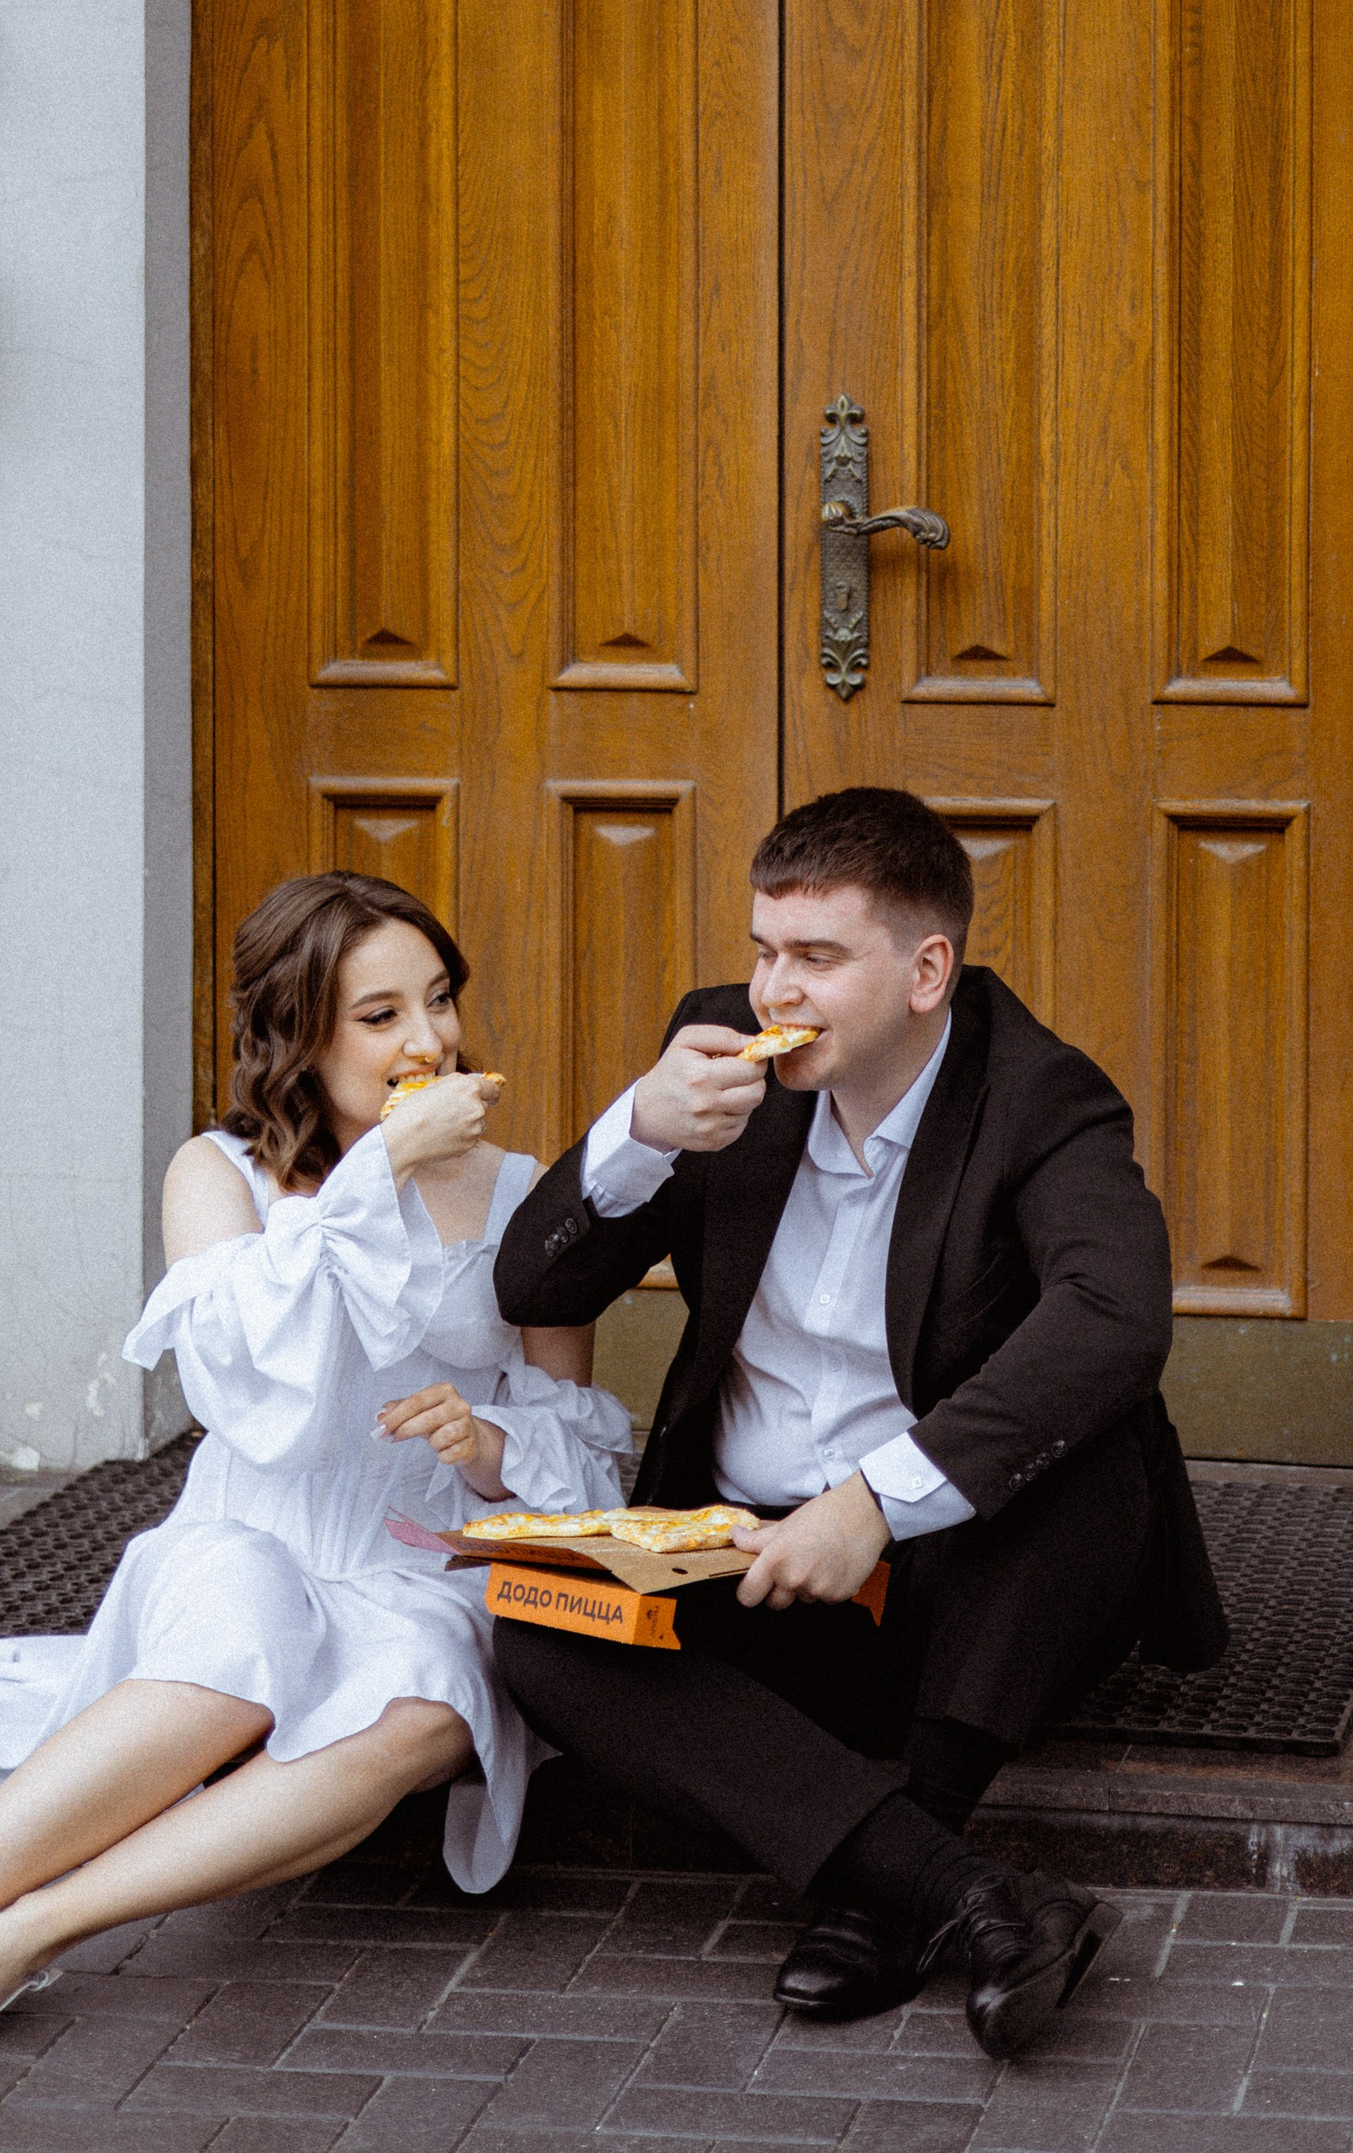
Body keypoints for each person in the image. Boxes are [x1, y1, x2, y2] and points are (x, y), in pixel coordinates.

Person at [0, 871, 629, 2082]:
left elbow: (577, 1442)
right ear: (299, 1036)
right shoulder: (219, 1172)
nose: (430, 1040)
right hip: (257, 1527)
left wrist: (492, 1445)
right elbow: (246, 1383)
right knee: (234, 1643)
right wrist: (378, 1175)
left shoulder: (524, 1192)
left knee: (425, 1699)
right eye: (379, 1015)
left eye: (440, 998)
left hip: (424, 1555)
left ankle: (15, 1935)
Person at [490, 785, 1224, 2062]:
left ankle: (890, 1862)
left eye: (818, 958)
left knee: (1089, 1447)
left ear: (926, 968)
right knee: (534, 1627)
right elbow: (533, 1285)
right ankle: (962, 1893)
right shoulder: (714, 1059)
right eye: (766, 949)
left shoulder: (1040, 1097)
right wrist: (635, 1136)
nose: (776, 990)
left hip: (950, 1581)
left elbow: (1116, 1314)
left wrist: (875, 1502)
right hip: (745, 1552)